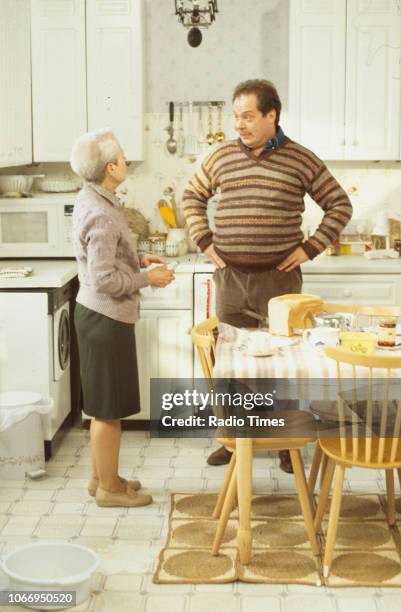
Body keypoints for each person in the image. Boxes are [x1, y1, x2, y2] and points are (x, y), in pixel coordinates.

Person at [183, 79, 352, 471]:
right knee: (230, 363)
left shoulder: (301, 159)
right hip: (231, 279)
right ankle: (233, 439)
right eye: (236, 116)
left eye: (248, 116)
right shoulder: (221, 156)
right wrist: (204, 239)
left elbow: (339, 205)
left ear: (271, 115)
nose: (239, 125)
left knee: (285, 363)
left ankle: (283, 442)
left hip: (279, 282)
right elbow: (192, 195)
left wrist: (310, 247)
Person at [71, 128, 175, 507]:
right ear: (110, 168)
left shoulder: (92, 197)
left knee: (103, 405)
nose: (127, 161)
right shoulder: (102, 212)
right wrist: (149, 278)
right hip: (105, 318)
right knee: (108, 411)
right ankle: (109, 492)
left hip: (98, 316)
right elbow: (103, 278)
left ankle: (102, 478)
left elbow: (106, 260)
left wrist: (137, 260)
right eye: (123, 158)